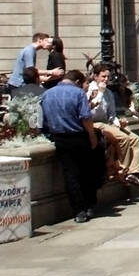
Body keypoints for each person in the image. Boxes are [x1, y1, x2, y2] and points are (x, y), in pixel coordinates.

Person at [39, 69, 103, 223]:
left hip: (60, 138)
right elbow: (85, 117)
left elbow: (42, 121)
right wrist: (92, 136)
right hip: (79, 137)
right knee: (87, 172)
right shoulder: (78, 93)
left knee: (70, 175)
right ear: (78, 82)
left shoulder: (47, 94)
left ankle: (78, 210)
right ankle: (88, 205)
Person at [87, 62, 139, 181]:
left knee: (135, 139)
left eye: (108, 77)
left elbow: (112, 115)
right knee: (124, 139)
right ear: (95, 76)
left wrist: (119, 123)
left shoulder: (109, 92)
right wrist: (100, 93)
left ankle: (135, 170)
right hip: (95, 123)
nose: (106, 79)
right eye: (103, 76)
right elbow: (91, 111)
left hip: (107, 122)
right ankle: (122, 169)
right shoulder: (90, 89)